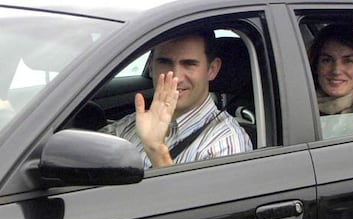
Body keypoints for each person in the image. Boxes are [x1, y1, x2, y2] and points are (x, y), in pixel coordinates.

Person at [101, 30, 252, 168]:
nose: (176, 77)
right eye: (165, 62)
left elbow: (198, 199)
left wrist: (157, 151)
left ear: (212, 69)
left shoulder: (225, 143)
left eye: (189, 64)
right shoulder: (133, 123)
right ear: (151, 67)